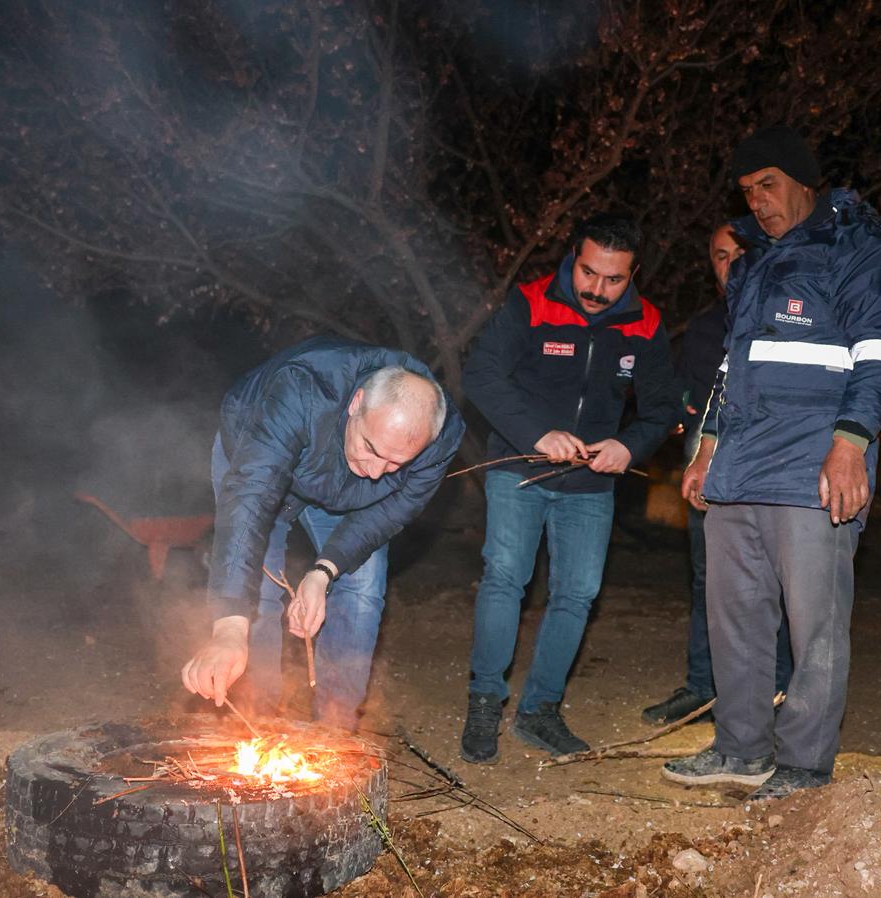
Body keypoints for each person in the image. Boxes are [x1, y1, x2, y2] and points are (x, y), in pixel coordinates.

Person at [661, 127, 881, 800]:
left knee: (815, 628)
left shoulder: (857, 248)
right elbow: (730, 364)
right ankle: (740, 748)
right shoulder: (752, 262)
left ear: (804, 181)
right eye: (747, 190)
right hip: (740, 466)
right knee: (734, 619)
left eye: (768, 184)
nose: (759, 201)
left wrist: (851, 444)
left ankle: (804, 764)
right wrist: (707, 445)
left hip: (813, 469)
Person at [459, 214, 678, 762]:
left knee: (577, 593)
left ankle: (539, 711)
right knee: (506, 577)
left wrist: (630, 446)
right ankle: (485, 699)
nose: (597, 290)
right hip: (520, 466)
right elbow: (482, 375)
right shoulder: (530, 302)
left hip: (591, 483)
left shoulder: (646, 324)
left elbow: (662, 408)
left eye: (613, 280)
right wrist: (536, 432)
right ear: (572, 258)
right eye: (588, 272)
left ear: (633, 275)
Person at [182, 336, 464, 730]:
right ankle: (255, 724)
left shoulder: (440, 436)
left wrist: (324, 571)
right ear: (355, 403)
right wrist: (228, 625)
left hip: (346, 492)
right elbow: (251, 499)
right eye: (371, 447)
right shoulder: (301, 390)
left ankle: (335, 733)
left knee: (362, 590)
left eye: (395, 463)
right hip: (261, 459)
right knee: (259, 596)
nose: (376, 470)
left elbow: (391, 510)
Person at [640, 224, 793, 727]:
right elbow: (688, 388)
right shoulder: (708, 325)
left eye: (740, 253)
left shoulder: (790, 312)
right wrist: (681, 407)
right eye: (720, 256)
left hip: (772, 459)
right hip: (708, 456)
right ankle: (702, 688)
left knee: (776, 578)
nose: (730, 265)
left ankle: (779, 691)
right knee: (709, 577)